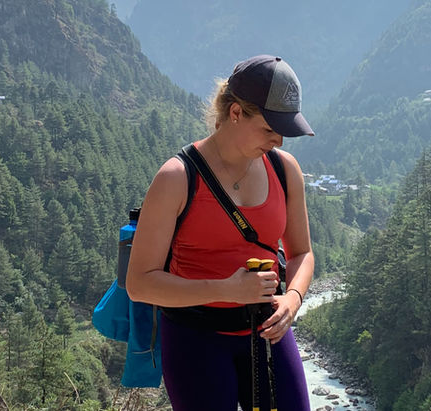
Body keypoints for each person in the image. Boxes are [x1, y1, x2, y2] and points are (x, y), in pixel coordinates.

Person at [126, 55, 315, 411]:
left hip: (267, 329)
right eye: (269, 129)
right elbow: (140, 283)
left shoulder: (285, 170)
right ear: (236, 113)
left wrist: (293, 299)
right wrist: (226, 290)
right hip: (195, 338)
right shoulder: (177, 178)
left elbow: (301, 253)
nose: (278, 140)